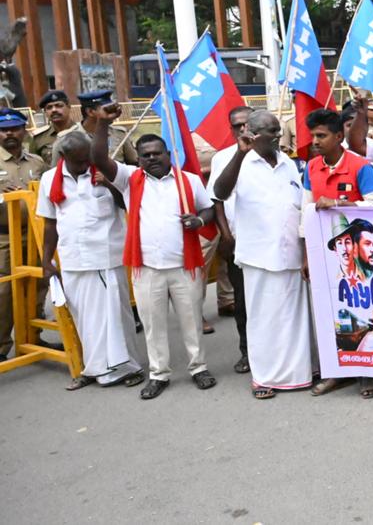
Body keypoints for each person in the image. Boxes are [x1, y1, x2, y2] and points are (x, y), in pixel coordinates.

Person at [90, 108, 218, 400]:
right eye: (145, 154)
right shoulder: (129, 180)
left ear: (168, 154)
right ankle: (159, 374)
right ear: (137, 158)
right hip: (146, 267)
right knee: (152, 323)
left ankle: (198, 368)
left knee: (191, 320)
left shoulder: (189, 180)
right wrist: (102, 124)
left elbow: (208, 208)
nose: (151, 158)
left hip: (184, 265)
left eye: (156, 153)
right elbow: (98, 159)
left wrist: (199, 220)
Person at [212, 111, 311, 399]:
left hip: (291, 253)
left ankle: (299, 372)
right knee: (262, 321)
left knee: (293, 318)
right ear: (252, 134)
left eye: (279, 131)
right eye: (271, 132)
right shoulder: (235, 161)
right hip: (258, 255)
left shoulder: (288, 164)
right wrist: (241, 155)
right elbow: (219, 192)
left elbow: (299, 206)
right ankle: (264, 377)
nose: (278, 137)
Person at [37, 131, 143, 388]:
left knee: (115, 315)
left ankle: (128, 367)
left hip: (106, 256)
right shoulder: (49, 179)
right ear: (63, 157)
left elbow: (128, 204)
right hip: (73, 257)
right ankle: (93, 368)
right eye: (80, 160)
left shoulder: (108, 172)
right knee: (85, 318)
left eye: (89, 158)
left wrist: (108, 184)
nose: (86, 164)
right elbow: (50, 222)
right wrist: (46, 259)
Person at [301, 108, 373, 399]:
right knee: (326, 313)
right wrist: (305, 255)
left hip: (359, 256)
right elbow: (305, 212)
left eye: (321, 136)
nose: (315, 141)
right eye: (313, 135)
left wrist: (338, 203)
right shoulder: (310, 168)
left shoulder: (362, 166)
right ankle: (335, 372)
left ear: (339, 136)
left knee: (361, 312)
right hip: (324, 253)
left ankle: (368, 373)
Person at [210, 106, 253, 374]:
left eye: (246, 124)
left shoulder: (275, 155)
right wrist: (226, 236)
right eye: (236, 125)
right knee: (242, 301)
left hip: (267, 244)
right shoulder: (222, 158)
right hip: (238, 243)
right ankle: (246, 351)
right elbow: (216, 199)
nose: (242, 129)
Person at [0, 109, 45, 361]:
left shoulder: (36, 162)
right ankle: (1, 345)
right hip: (5, 237)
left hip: (34, 234)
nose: (9, 133)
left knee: (37, 286)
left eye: (15, 128)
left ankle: (32, 336)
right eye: (4, 129)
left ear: (24, 131)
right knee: (4, 292)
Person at [50, 90, 137, 165]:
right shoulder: (65, 138)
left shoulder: (119, 134)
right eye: (106, 110)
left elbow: (135, 163)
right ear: (90, 112)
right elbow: (56, 173)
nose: (112, 113)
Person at [29, 89, 74, 168]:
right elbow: (33, 165)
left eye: (59, 106)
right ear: (45, 112)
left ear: (69, 107)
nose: (54, 110)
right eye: (49, 107)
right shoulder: (39, 138)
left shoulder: (82, 132)